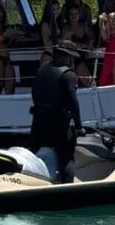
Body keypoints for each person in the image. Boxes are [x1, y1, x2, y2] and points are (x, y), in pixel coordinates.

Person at [30, 39, 84, 184]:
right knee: (67, 158)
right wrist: (79, 126)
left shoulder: (42, 69)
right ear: (68, 56)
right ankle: (66, 188)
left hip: (38, 123)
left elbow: (34, 93)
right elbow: (73, 103)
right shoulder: (68, 75)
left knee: (36, 158)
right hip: (58, 126)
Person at [58, 3, 94, 85]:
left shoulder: (84, 26)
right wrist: (79, 45)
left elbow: (91, 38)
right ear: (68, 15)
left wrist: (89, 46)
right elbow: (64, 43)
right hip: (75, 59)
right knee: (89, 82)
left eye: (76, 14)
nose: (74, 16)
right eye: (71, 14)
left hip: (86, 56)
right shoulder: (66, 28)